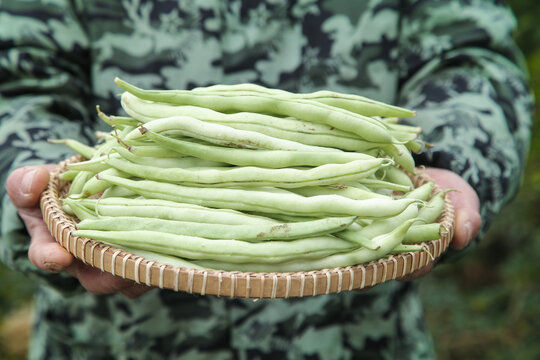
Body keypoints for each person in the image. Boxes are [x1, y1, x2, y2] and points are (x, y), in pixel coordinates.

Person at [0, 0, 532, 359]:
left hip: (358, 334)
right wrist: (27, 179)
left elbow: (470, 56)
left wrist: (456, 162)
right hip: (107, 339)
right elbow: (16, 80)